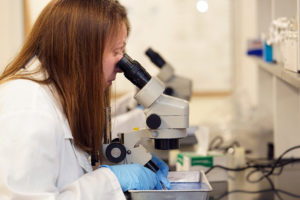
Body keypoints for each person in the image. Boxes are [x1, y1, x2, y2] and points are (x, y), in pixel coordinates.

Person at [0, 0, 170, 199]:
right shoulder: (28, 107)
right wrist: (110, 180)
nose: (121, 67)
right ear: (83, 50)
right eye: (116, 51)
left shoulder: (59, 97)